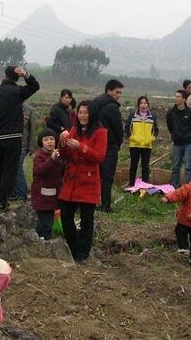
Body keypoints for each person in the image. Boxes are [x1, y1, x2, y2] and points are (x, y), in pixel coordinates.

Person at [58, 101, 108, 264]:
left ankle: (83, 252)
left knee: (87, 219)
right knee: (65, 216)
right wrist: (63, 143)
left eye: (86, 113)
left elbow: (99, 157)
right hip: (71, 180)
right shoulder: (74, 130)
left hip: (88, 180)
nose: (82, 116)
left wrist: (81, 147)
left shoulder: (100, 132)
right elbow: (65, 155)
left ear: (92, 114)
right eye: (80, 112)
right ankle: (73, 248)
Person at [0, 66, 40, 211]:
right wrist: (26, 75)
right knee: (9, 171)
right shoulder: (18, 92)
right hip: (13, 137)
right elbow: (35, 86)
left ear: (4, 75)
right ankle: (3, 202)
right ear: (17, 77)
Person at [90, 79, 124, 213]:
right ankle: (105, 205)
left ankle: (92, 202)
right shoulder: (112, 107)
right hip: (109, 146)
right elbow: (118, 129)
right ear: (109, 91)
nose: (119, 95)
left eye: (120, 93)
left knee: (95, 176)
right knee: (107, 178)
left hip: (95, 145)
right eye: (117, 92)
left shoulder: (94, 104)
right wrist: (118, 143)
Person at [31, 129, 64, 239]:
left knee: (47, 222)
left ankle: (40, 238)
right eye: (46, 140)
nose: (49, 142)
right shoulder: (39, 156)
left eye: (52, 139)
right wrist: (52, 159)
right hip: (42, 197)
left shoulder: (57, 154)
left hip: (53, 196)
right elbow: (40, 170)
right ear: (41, 142)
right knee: (46, 224)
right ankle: (43, 241)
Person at [166, 90, 191, 188]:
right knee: (176, 166)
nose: (176, 98)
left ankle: (185, 188)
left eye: (178, 97)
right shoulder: (171, 112)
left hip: (189, 143)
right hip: (177, 143)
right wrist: (174, 135)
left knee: (188, 167)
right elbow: (169, 126)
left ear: (184, 99)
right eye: (175, 96)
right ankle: (174, 186)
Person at [124, 95, 158, 186]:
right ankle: (131, 184)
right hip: (135, 145)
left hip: (147, 146)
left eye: (145, 103)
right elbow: (127, 128)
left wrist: (151, 139)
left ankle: (144, 185)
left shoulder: (152, 117)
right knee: (133, 166)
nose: (143, 105)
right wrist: (133, 138)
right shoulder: (133, 115)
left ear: (148, 105)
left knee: (145, 167)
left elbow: (156, 130)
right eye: (141, 103)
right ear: (138, 105)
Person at [13, 101, 38, 202]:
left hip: (23, 143)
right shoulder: (10, 106)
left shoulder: (29, 110)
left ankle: (22, 194)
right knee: (13, 168)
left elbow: (32, 130)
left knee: (18, 167)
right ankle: (15, 192)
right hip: (11, 143)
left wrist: (32, 148)